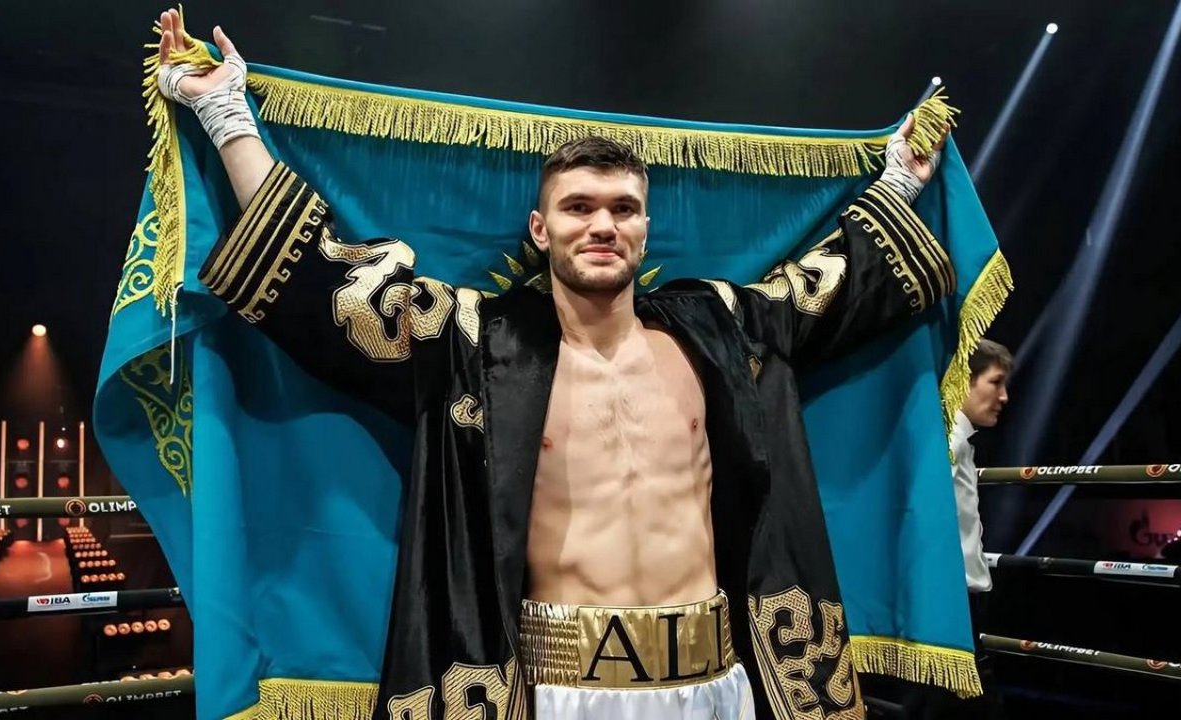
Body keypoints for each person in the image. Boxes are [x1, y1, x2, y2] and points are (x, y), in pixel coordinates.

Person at [155, 9, 954, 719]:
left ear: (645, 229)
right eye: (579, 207)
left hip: (718, 682)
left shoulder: (720, 331)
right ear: (540, 229)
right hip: (555, 690)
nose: (602, 225)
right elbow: (332, 289)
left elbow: (830, 289)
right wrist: (227, 115)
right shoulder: (478, 344)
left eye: (623, 208)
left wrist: (897, 185)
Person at [923, 338, 1011, 719]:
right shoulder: (949, 441)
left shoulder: (956, 439)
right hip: (951, 601)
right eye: (995, 382)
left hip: (954, 599)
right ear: (966, 380)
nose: (1004, 396)